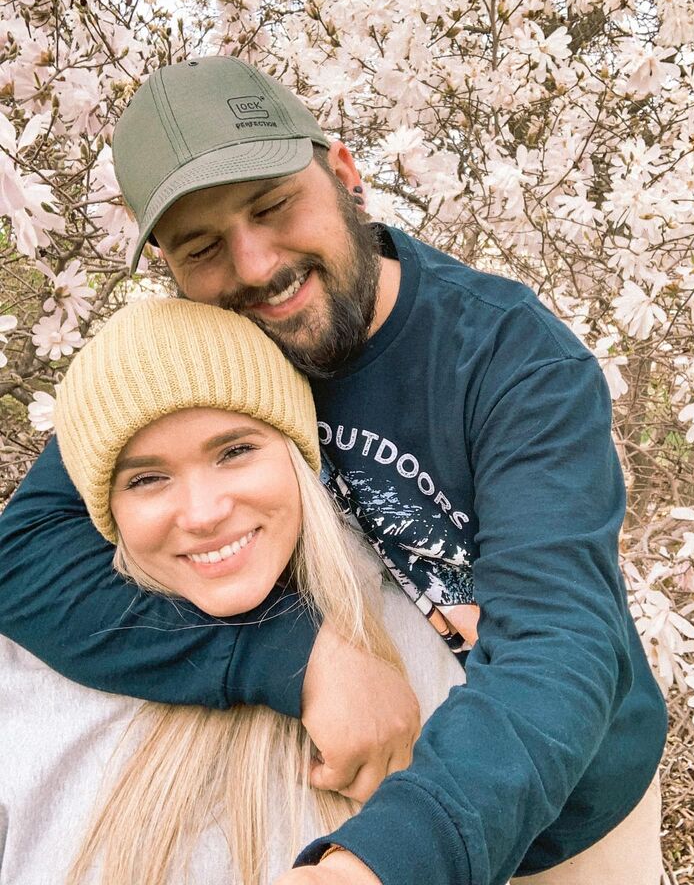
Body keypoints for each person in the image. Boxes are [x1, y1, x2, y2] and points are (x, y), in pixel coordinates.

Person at [0, 55, 668, 885]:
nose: (253, 265)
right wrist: (298, 654)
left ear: (345, 175)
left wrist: (376, 868)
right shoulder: (200, 357)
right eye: (202, 246)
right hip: (367, 785)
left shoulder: (511, 359)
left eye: (274, 206)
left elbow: (560, 639)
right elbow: (24, 553)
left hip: (565, 808)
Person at [0, 297, 464, 885]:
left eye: (235, 451)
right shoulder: (26, 672)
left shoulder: (428, 635)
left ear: (298, 455)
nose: (203, 513)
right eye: (146, 478)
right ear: (102, 507)